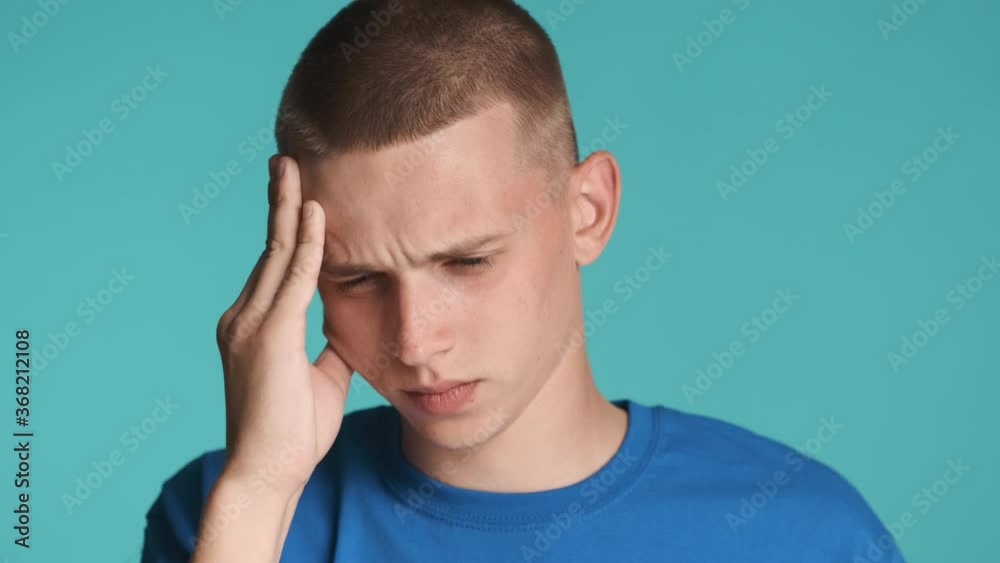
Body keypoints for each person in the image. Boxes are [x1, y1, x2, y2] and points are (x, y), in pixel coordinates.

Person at [141, 1, 906, 561]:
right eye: (360, 277)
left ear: (589, 211)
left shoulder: (804, 532)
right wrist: (260, 490)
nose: (415, 338)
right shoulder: (226, 516)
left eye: (467, 261)